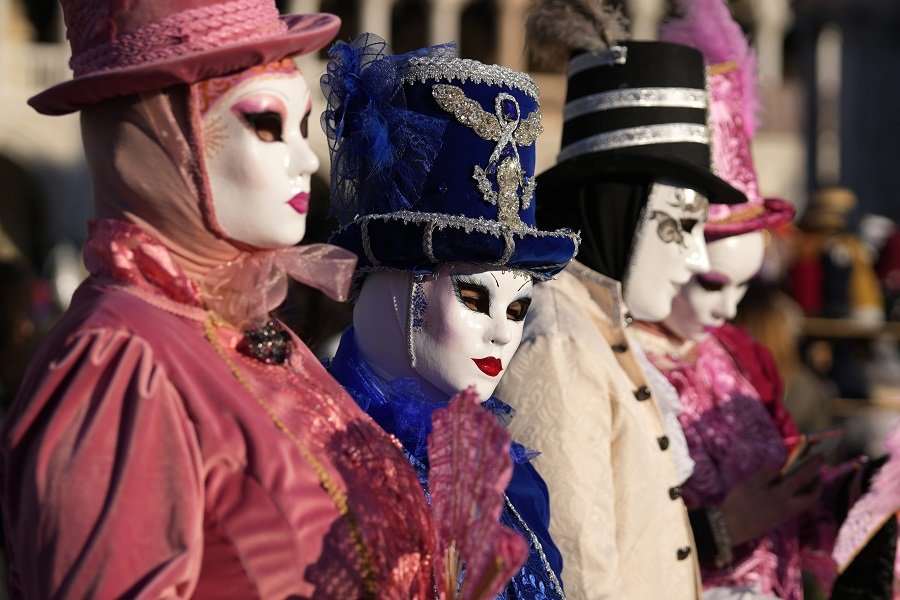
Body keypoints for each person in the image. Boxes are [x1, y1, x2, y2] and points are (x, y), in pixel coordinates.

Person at [0, 1, 435, 597]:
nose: (307, 159)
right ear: (162, 140)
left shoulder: (247, 328)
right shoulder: (122, 365)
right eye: (266, 124)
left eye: (302, 125)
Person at [633, 1, 894, 597]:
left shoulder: (741, 356)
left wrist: (864, 492)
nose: (729, 310)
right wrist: (721, 529)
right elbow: (603, 545)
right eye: (713, 284)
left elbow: (795, 499)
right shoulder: (614, 361)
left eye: (746, 286)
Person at [496, 3, 749, 598]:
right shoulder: (560, 342)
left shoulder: (601, 325)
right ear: (618, 208)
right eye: (679, 224)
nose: (698, 259)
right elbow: (578, 571)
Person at [320, 34, 579, 598]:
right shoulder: (322, 464)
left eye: (518, 308)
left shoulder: (513, 481)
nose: (503, 333)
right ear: (400, 284)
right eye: (475, 299)